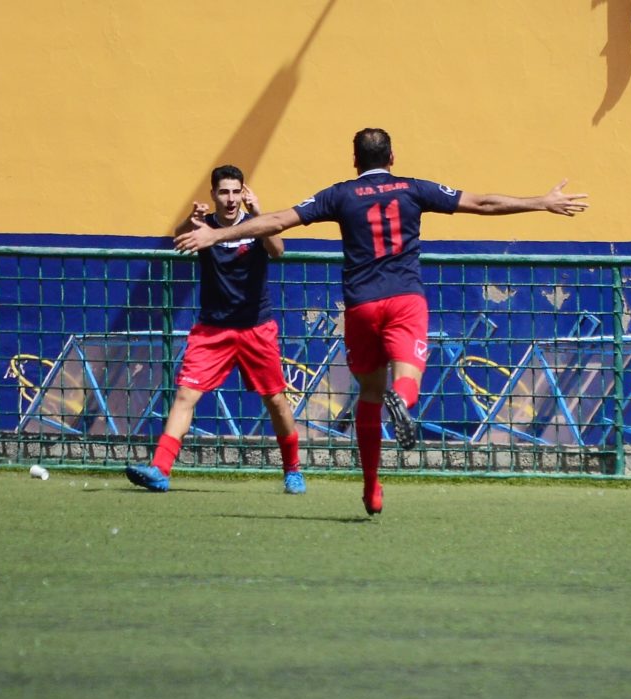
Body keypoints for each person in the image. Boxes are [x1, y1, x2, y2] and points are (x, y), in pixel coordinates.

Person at [175, 128, 587, 515]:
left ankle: (372, 486)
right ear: (392, 157)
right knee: (408, 376)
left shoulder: (339, 194)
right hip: (404, 299)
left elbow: (278, 221)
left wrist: (215, 235)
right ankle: (403, 403)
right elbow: (482, 203)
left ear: (355, 160)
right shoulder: (412, 188)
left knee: (370, 393)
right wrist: (541, 201)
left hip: (361, 306)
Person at [126, 165, 306, 495]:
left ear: (243, 193)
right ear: (213, 195)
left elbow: (278, 251)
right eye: (224, 192)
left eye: (236, 191)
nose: (230, 198)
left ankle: (293, 470)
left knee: (276, 401)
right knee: (185, 396)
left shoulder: (256, 223)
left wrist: (259, 213)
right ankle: (160, 470)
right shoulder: (205, 226)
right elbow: (179, 239)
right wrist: (190, 220)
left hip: (256, 328)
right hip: (212, 331)